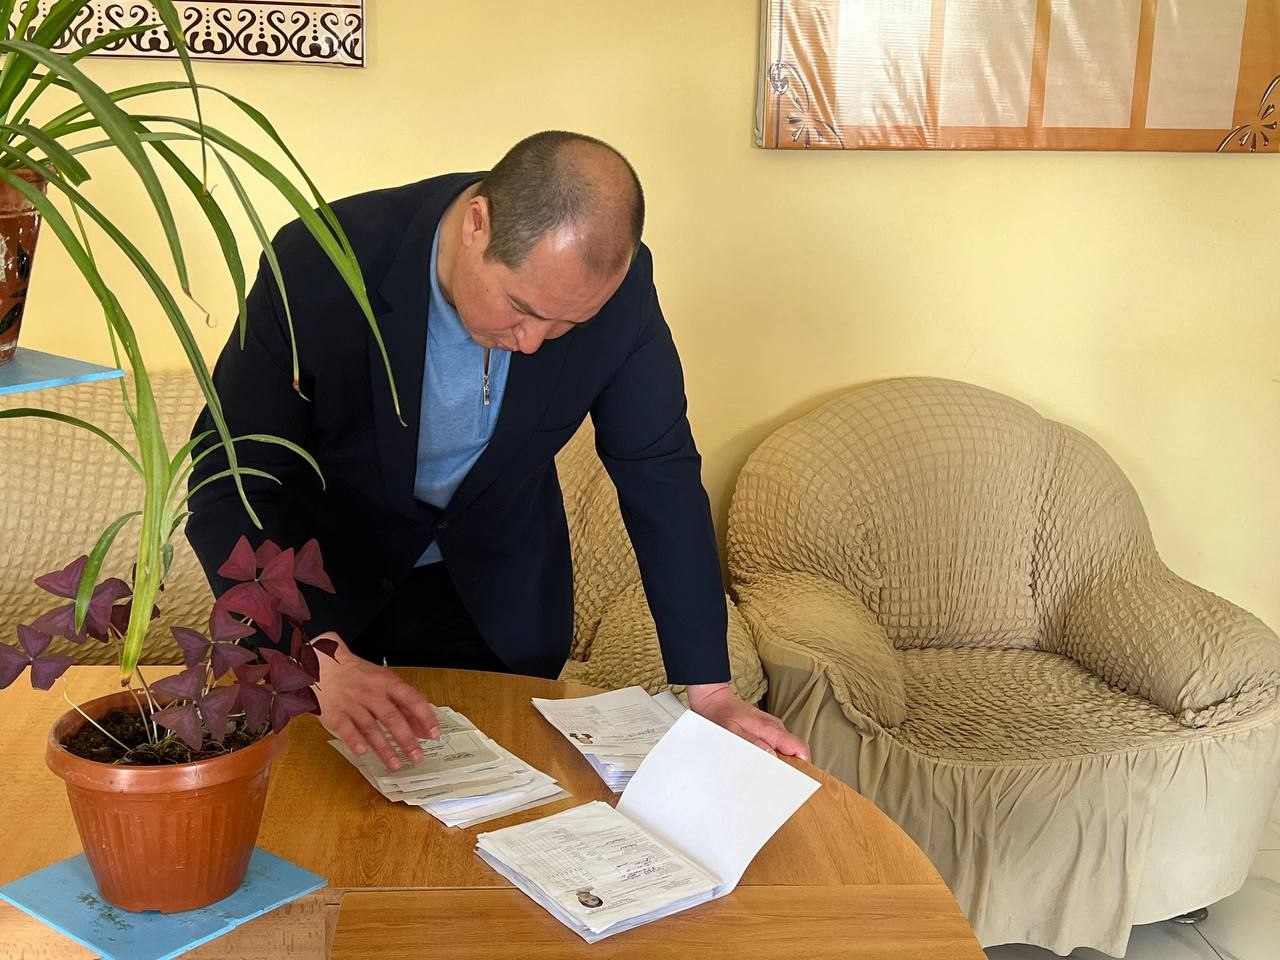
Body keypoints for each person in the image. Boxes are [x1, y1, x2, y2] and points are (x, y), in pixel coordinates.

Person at [187, 130, 809, 772]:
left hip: (493, 601)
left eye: (568, 325)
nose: (534, 342)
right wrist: (309, 652)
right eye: (520, 307)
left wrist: (711, 693)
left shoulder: (619, 291)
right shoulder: (318, 262)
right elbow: (228, 479)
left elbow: (660, 472)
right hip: (323, 594)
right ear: (476, 224)